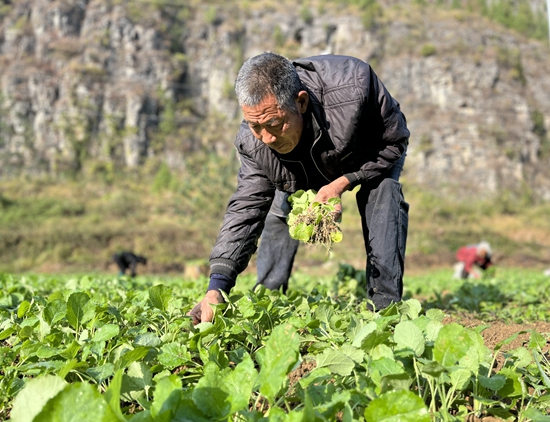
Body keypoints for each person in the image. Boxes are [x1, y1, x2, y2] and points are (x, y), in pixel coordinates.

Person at [188, 52, 410, 324]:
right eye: (255, 126)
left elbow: (393, 143)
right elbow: (245, 208)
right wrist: (216, 287)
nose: (267, 137)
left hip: (366, 152)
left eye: (274, 124)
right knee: (278, 211)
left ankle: (386, 310)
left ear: (301, 102)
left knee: (384, 197)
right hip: (301, 165)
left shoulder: (354, 86)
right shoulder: (255, 143)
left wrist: (343, 182)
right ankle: (269, 296)